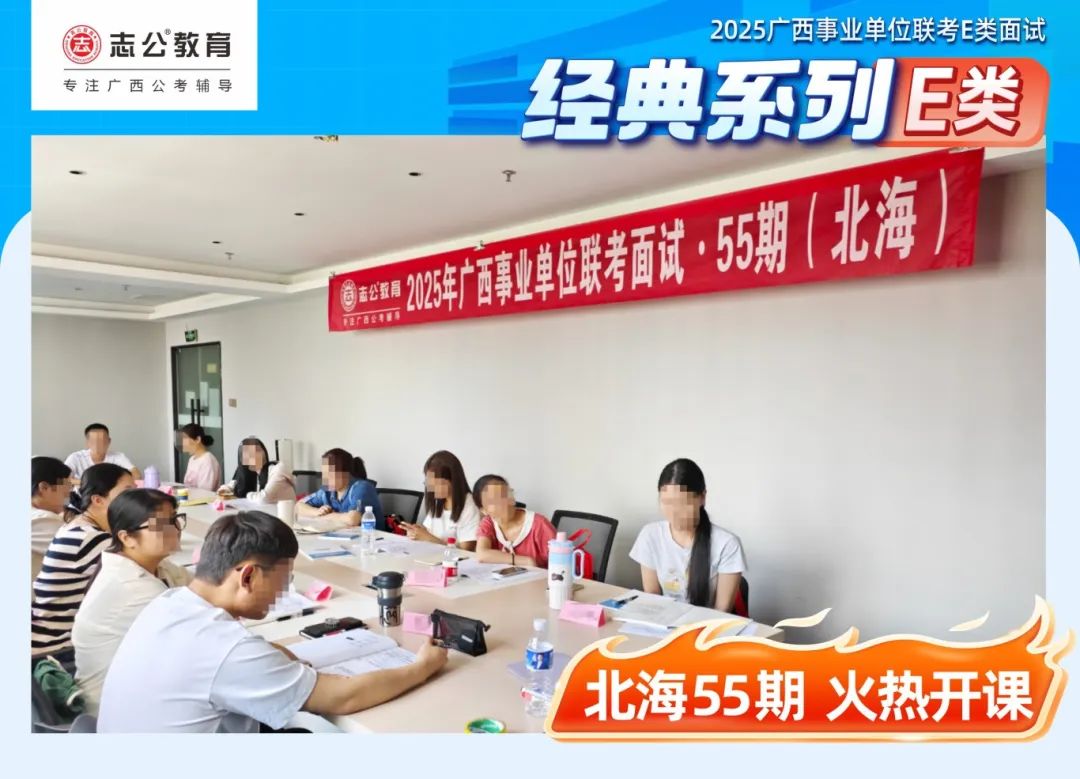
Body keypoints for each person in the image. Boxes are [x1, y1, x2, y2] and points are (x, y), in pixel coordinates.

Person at [97, 511, 448, 733]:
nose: (284, 592)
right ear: (248, 576)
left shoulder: (170, 602)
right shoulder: (228, 650)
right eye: (284, 580)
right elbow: (343, 697)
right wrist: (423, 667)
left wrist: (275, 655)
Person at [72, 489, 191, 715]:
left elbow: (201, 588)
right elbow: (198, 638)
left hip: (137, 686)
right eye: (161, 525)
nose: (175, 529)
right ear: (126, 538)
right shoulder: (134, 588)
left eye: (175, 519)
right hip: (115, 710)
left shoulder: (150, 565)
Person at [31, 463, 135, 663]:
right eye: (127, 493)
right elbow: (149, 577)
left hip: (44, 633)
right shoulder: (91, 539)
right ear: (98, 500)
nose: (136, 500)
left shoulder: (78, 527)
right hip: (56, 647)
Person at [629, 458, 747, 611]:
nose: (674, 512)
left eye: (682, 503)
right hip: (665, 622)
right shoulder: (650, 535)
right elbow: (653, 598)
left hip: (708, 624)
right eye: (666, 502)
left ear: (702, 498)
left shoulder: (727, 544)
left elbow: (722, 612)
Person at [473, 474, 557, 568]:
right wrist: (525, 560)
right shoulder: (488, 522)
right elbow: (482, 554)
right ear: (484, 510)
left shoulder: (539, 524)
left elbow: (563, 561)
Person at [404, 450, 480, 550]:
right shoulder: (439, 500)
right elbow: (428, 531)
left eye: (436, 483)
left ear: (453, 480)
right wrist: (416, 532)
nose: (431, 488)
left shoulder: (470, 506)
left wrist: (428, 538)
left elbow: (466, 551)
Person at [295, 448, 384, 530]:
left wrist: (325, 517)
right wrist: (317, 512)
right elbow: (298, 507)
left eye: (330, 473)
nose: (326, 478)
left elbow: (353, 519)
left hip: (371, 539)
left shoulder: (362, 487)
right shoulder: (327, 491)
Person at [218, 437, 296, 504]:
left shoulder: (277, 469)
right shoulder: (248, 473)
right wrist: (225, 490)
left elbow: (263, 498)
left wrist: (247, 495)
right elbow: (228, 487)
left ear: (264, 452)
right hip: (262, 513)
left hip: (283, 514)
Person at [31, 456, 72, 580]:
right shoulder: (42, 519)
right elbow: (81, 552)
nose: (68, 495)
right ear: (44, 488)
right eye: (65, 488)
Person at [64, 423, 142, 481]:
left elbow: (137, 475)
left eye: (102, 440)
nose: (98, 444)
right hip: (81, 496)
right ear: (87, 443)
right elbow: (62, 479)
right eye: (94, 441)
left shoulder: (118, 457)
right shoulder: (75, 457)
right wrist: (85, 483)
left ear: (109, 441)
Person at [179, 423, 222, 491]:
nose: (182, 443)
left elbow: (205, 492)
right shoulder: (192, 459)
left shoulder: (208, 460)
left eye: (185, 439)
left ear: (197, 439)